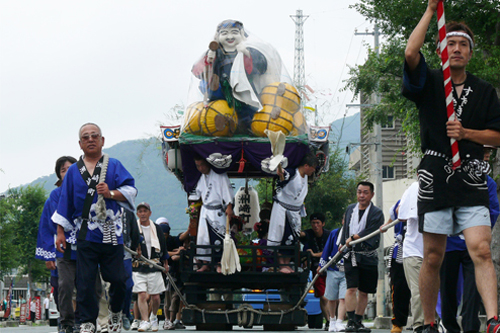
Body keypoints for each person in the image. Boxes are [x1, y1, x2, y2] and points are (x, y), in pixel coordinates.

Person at [403, 1, 500, 332]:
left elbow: (497, 136)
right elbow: (410, 53)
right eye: (451, 43)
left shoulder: (485, 91)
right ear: (442, 47)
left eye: (463, 45)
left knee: (482, 250)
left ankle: (494, 320)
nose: (457, 49)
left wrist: (467, 133)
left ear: (470, 53)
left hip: (471, 172)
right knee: (432, 255)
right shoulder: (429, 82)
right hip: (436, 171)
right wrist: (430, 11)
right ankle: (430, 322)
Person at [53, 123, 137, 333]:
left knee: (118, 279)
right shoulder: (73, 171)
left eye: (94, 136)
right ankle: (88, 322)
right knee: (86, 281)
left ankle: (116, 311)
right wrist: (60, 232)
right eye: (86, 137)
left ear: (102, 140)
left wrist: (111, 193)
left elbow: (131, 189)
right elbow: (65, 202)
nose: (90, 139)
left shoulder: (114, 165)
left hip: (111, 231)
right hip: (85, 232)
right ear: (80, 144)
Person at [439, 145, 500, 333]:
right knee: (448, 290)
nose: (485, 159)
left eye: (487, 156)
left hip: (473, 246)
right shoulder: (448, 178)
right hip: (449, 245)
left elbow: (493, 210)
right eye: (484, 155)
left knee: (472, 292)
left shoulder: (487, 182)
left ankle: (471, 328)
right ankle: (448, 325)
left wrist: (477, 232)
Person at [191, 19, 268, 130]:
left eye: (234, 33)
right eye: (224, 33)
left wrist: (246, 53)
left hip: (243, 89)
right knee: (217, 102)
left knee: (248, 110)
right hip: (223, 89)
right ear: (217, 37)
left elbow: (261, 66)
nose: (230, 37)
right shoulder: (216, 52)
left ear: (242, 35)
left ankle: (246, 126)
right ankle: (222, 121)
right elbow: (196, 71)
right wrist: (209, 60)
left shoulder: (249, 50)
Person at [35, 156, 77, 333]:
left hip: (86, 249)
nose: (67, 172)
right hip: (61, 251)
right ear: (59, 175)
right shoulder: (54, 197)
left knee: (89, 288)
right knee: (63, 287)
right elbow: (46, 227)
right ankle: (67, 321)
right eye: (63, 169)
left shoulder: (87, 193)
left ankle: (84, 320)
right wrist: (48, 254)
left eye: (71, 168)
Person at [340, 181, 384, 332]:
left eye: (365, 192)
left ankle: (359, 321)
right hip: (351, 254)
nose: (362, 195)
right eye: (359, 192)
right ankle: (350, 321)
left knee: (364, 290)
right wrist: (342, 243)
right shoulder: (350, 209)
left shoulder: (377, 213)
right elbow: (345, 229)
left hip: (368, 255)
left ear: (372, 194)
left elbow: (371, 232)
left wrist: (353, 238)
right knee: (351, 288)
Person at [267, 153, 318, 273]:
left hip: (295, 212)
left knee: (294, 238)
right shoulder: (292, 173)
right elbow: (284, 174)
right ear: (306, 165)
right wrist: (281, 173)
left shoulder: (305, 177)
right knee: (284, 237)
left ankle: (287, 263)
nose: (313, 171)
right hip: (283, 210)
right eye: (313, 168)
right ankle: (281, 265)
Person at [188, 155, 234, 273]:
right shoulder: (200, 177)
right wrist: (193, 207)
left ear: (207, 163)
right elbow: (196, 194)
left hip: (217, 211)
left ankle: (219, 264)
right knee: (203, 239)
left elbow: (227, 192)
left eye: (202, 165)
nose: (200, 168)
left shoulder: (220, 175)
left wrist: (229, 207)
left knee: (218, 237)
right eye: (198, 166)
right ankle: (205, 264)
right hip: (205, 210)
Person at [131, 202, 169, 332]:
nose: (142, 213)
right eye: (140, 211)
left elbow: (163, 247)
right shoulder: (133, 228)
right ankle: (144, 320)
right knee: (141, 294)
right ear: (137, 214)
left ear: (149, 213)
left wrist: (165, 263)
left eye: (145, 211)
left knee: (156, 296)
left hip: (154, 264)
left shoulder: (157, 228)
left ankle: (153, 316)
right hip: (138, 266)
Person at [380, 200, 411, 333]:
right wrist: (386, 225)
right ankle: (398, 323)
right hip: (400, 252)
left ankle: (424, 322)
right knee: (399, 289)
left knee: (422, 289)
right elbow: (393, 214)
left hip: (420, 249)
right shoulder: (403, 199)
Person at [398, 182, 424, 333]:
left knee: (434, 289)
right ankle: (419, 325)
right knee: (418, 290)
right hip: (413, 250)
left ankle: (433, 322)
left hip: (435, 251)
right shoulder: (414, 188)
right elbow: (399, 213)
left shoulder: (444, 184)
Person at [157, 217, 190, 330]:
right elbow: (162, 253)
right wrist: (176, 253)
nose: (164, 236)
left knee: (176, 298)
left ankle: (172, 320)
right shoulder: (156, 242)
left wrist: (180, 253)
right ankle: (162, 319)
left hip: (175, 273)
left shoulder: (173, 240)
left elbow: (181, 238)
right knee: (166, 298)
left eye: (166, 233)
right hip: (164, 273)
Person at [299, 212, 331, 327]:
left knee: (331, 296)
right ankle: (328, 321)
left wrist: (314, 254)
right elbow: (301, 234)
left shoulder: (329, 235)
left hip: (331, 268)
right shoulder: (308, 234)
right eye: (313, 223)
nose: (315, 226)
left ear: (323, 224)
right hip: (317, 270)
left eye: (318, 223)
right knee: (323, 296)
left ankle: (333, 319)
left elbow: (330, 253)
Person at [319, 219, 347, 332]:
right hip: (332, 268)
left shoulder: (355, 234)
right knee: (331, 298)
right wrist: (321, 265)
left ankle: (340, 321)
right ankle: (332, 320)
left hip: (347, 270)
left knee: (343, 298)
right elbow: (326, 250)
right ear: (342, 221)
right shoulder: (334, 233)